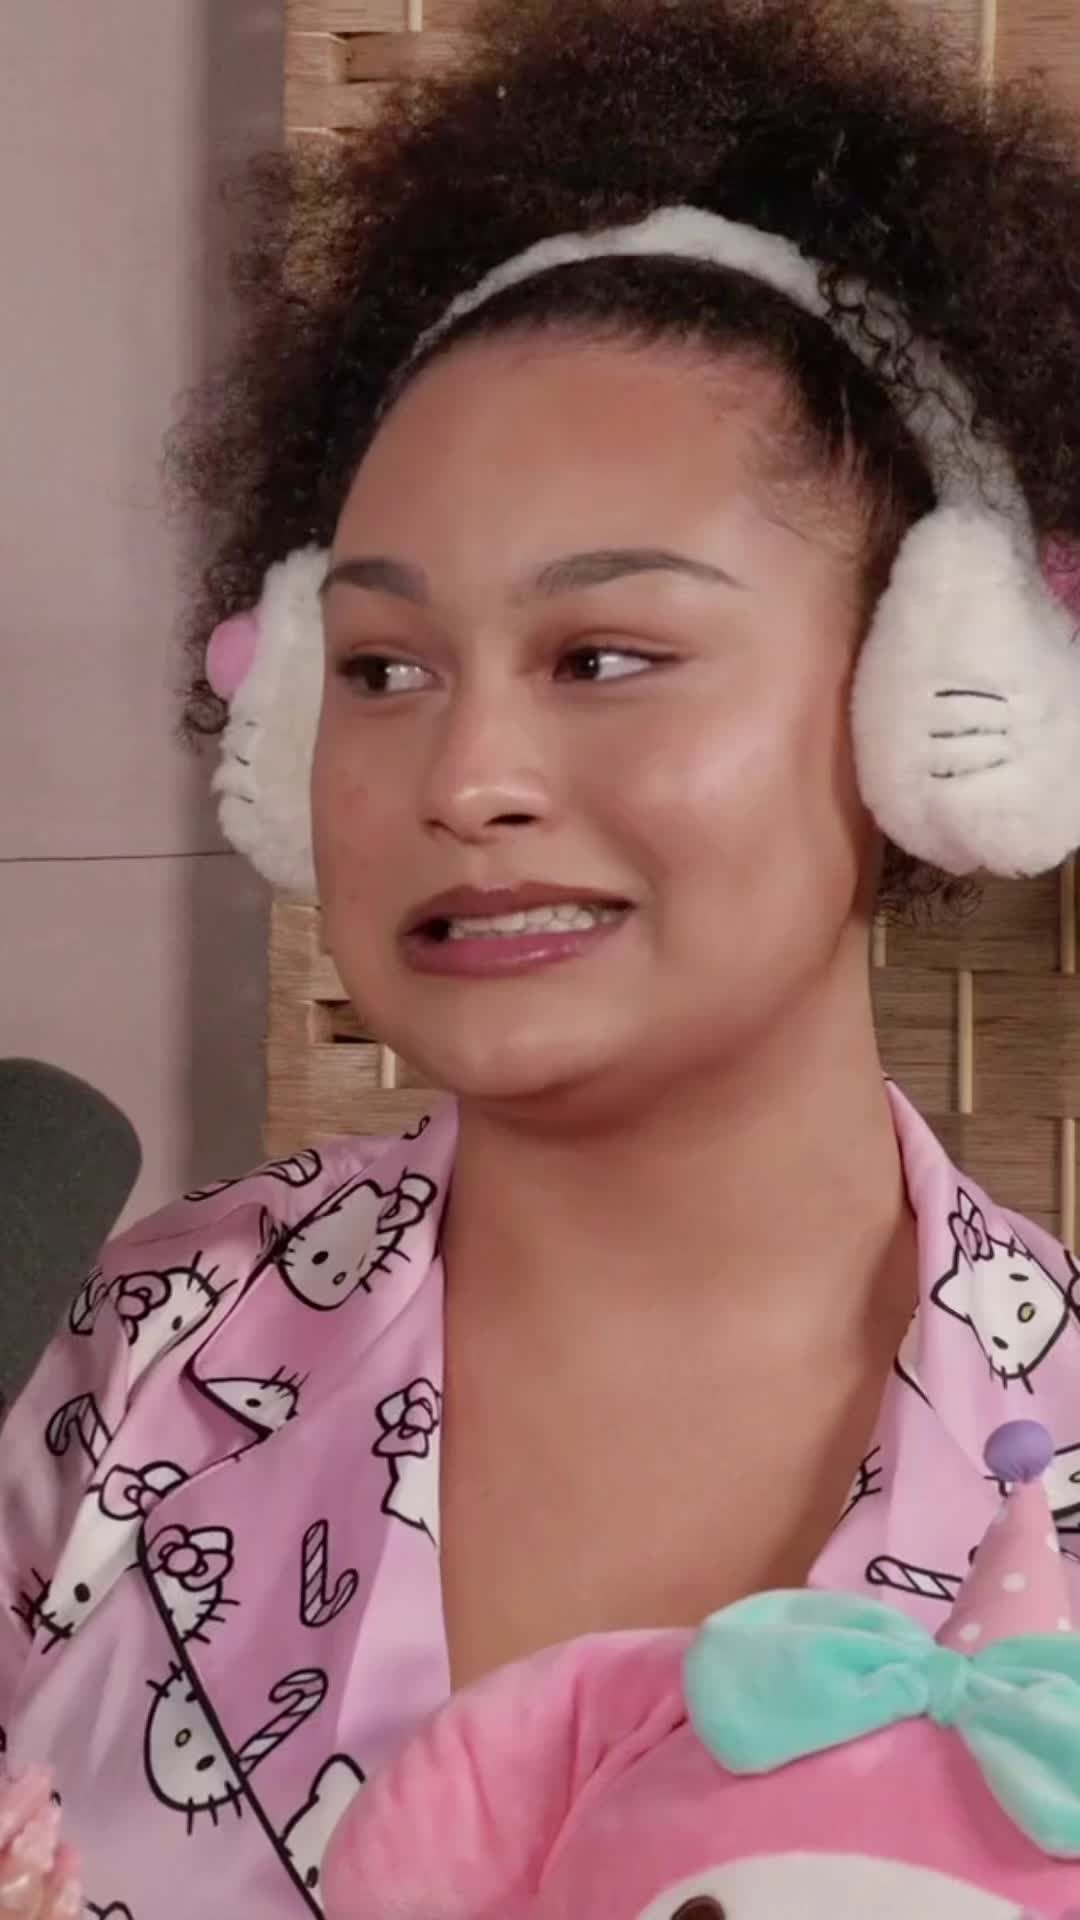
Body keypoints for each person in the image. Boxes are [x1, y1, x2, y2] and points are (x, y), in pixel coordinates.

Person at [3, 0, 1080, 1913]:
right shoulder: (120, 1369)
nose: (464, 776)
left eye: (603, 656)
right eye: (382, 670)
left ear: (932, 691)